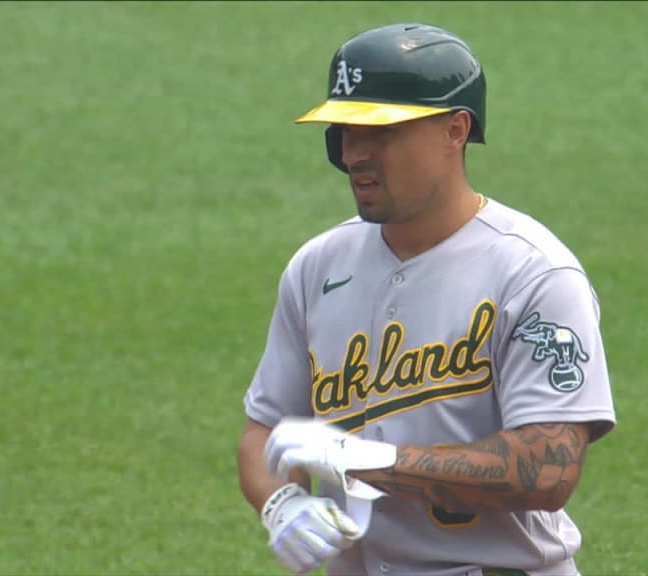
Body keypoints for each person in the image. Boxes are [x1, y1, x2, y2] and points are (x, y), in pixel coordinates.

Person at [238, 22, 617, 576]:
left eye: (380, 132)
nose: (354, 154)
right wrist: (282, 503)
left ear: (455, 130)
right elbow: (266, 431)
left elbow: (547, 470)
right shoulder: (317, 267)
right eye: (344, 131)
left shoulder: (532, 272)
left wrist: (369, 462)